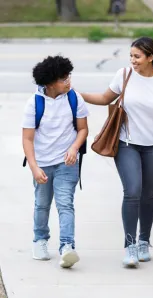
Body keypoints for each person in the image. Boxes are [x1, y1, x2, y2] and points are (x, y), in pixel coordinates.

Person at [81, 37, 153, 268]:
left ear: (151, 57)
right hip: (127, 144)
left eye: (137, 56)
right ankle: (129, 245)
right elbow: (104, 98)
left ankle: (144, 241)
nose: (133, 60)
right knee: (132, 191)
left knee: (148, 195)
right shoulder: (124, 75)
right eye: (131, 56)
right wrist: (76, 94)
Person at [22, 55, 89, 268]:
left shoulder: (74, 98)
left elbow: (83, 129)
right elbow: (27, 138)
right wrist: (34, 167)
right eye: (63, 79)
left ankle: (67, 246)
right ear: (50, 82)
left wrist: (74, 148)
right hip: (41, 163)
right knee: (42, 205)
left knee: (65, 203)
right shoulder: (34, 103)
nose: (68, 81)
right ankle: (40, 240)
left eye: (68, 76)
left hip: (67, 163)